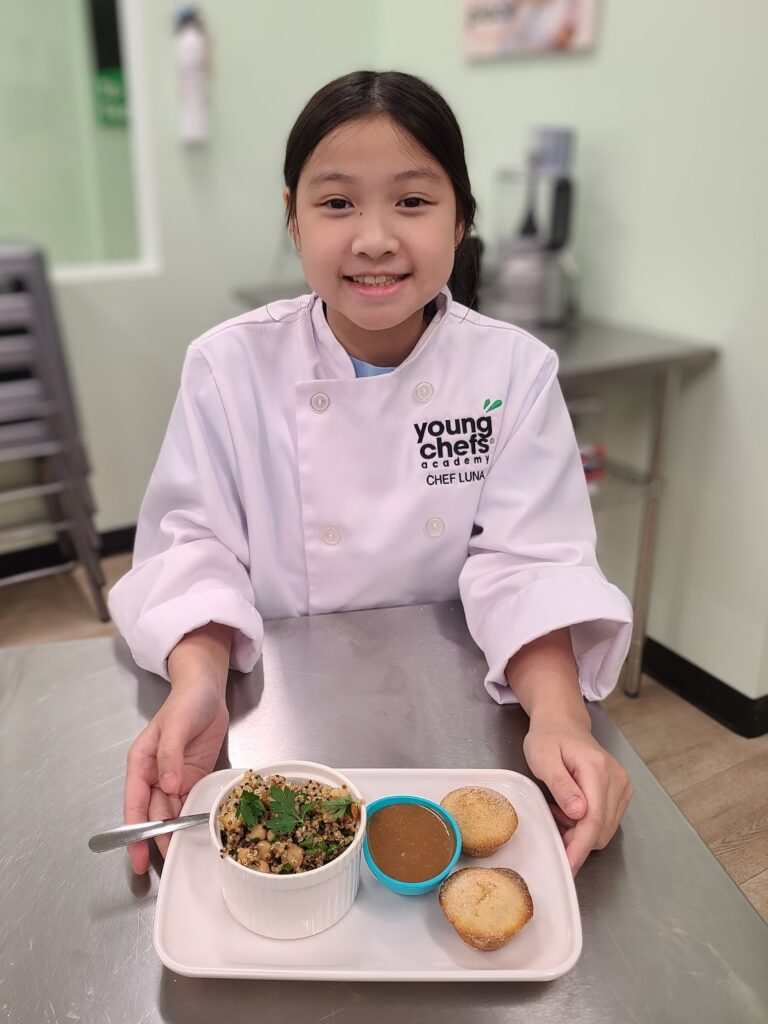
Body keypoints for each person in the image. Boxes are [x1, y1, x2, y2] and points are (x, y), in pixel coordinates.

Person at [109, 70, 633, 878]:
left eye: (414, 202)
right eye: (337, 203)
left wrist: (561, 718)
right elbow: (193, 549)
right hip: (274, 717)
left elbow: (531, 564)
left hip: (459, 722)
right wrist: (198, 681)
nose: (376, 238)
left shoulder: (512, 371)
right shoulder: (229, 364)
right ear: (292, 217)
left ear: (461, 219)